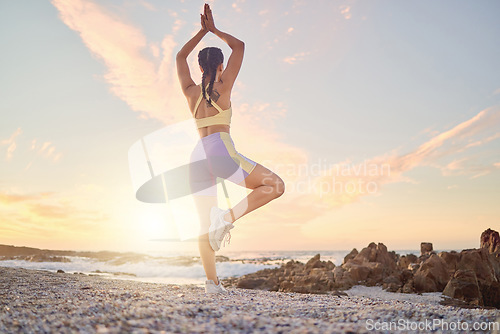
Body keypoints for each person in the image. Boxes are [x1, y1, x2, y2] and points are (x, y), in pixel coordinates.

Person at [176, 4, 285, 294]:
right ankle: (226, 218)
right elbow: (240, 45)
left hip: (197, 155)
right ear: (220, 66)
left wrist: (200, 32)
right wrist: (214, 30)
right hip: (220, 151)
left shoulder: (189, 92)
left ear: (199, 68)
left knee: (203, 224)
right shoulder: (223, 84)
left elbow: (179, 56)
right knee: (275, 185)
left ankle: (212, 284)